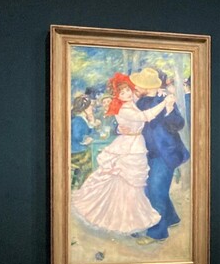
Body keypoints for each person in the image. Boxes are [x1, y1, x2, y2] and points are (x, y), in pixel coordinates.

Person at [71, 73, 175, 235]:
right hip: (129, 146)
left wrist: (161, 92)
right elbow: (144, 116)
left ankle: (133, 217)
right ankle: (126, 219)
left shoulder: (130, 102)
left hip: (135, 143)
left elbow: (142, 95)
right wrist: (164, 103)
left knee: (133, 183)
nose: (127, 94)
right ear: (117, 96)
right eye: (122, 93)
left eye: (128, 90)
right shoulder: (123, 108)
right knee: (126, 181)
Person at [132, 68, 190, 243]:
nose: (136, 87)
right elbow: (133, 121)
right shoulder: (141, 102)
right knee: (150, 189)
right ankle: (171, 218)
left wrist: (170, 109)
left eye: (139, 84)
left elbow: (178, 124)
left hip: (165, 153)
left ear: (147, 86)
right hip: (146, 153)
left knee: (156, 190)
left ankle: (157, 233)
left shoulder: (165, 99)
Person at [69, 95, 98, 189]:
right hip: (76, 153)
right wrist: (85, 139)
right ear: (84, 108)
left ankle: (87, 185)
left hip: (81, 151)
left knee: (94, 155)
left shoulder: (84, 119)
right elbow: (77, 136)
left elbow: (92, 133)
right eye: (90, 106)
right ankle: (85, 186)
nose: (92, 108)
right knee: (93, 159)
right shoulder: (78, 120)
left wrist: (92, 123)